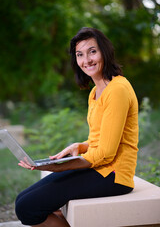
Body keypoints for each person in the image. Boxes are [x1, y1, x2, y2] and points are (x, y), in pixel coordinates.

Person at [15, 27, 139, 227]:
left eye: (92, 51)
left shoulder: (117, 90)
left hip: (114, 175)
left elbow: (106, 153)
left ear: (104, 52)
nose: (86, 60)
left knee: (27, 208)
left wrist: (58, 167)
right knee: (22, 199)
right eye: (80, 55)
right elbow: (101, 138)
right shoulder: (95, 92)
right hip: (100, 168)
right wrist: (80, 147)